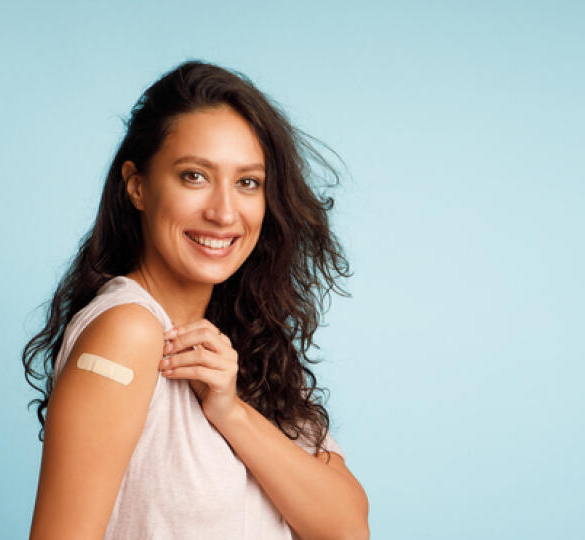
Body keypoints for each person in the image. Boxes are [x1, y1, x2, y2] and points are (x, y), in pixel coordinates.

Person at [23, 60, 369, 539]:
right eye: (194, 176)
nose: (224, 212)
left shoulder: (247, 343)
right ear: (137, 185)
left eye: (247, 182)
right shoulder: (127, 333)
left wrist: (231, 412)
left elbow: (348, 528)